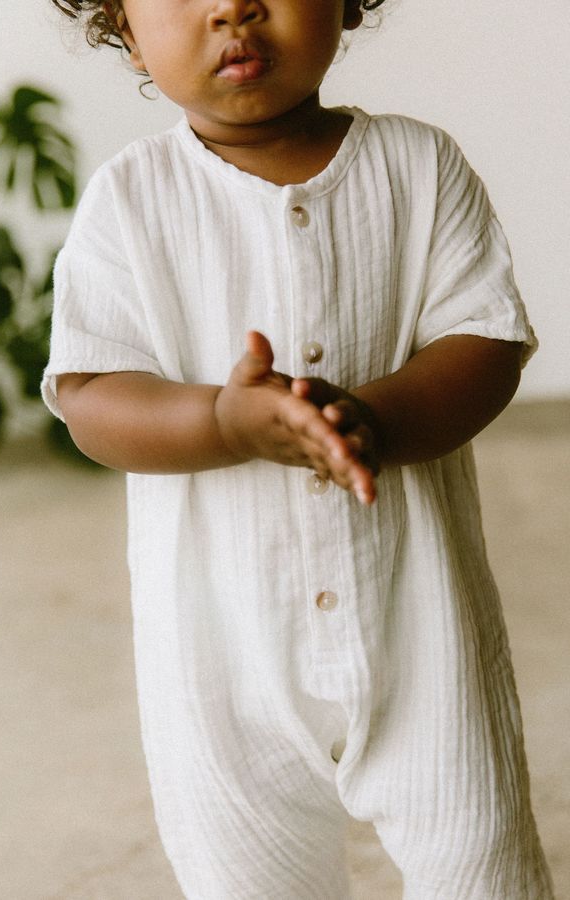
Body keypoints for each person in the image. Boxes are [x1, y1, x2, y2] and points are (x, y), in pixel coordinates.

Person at [42, 1, 554, 897]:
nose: (231, 7)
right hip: (222, 662)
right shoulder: (130, 202)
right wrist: (221, 424)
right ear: (122, 23)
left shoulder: (420, 168)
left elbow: (486, 341)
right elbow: (90, 395)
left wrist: (377, 420)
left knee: (481, 865)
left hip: (423, 636)